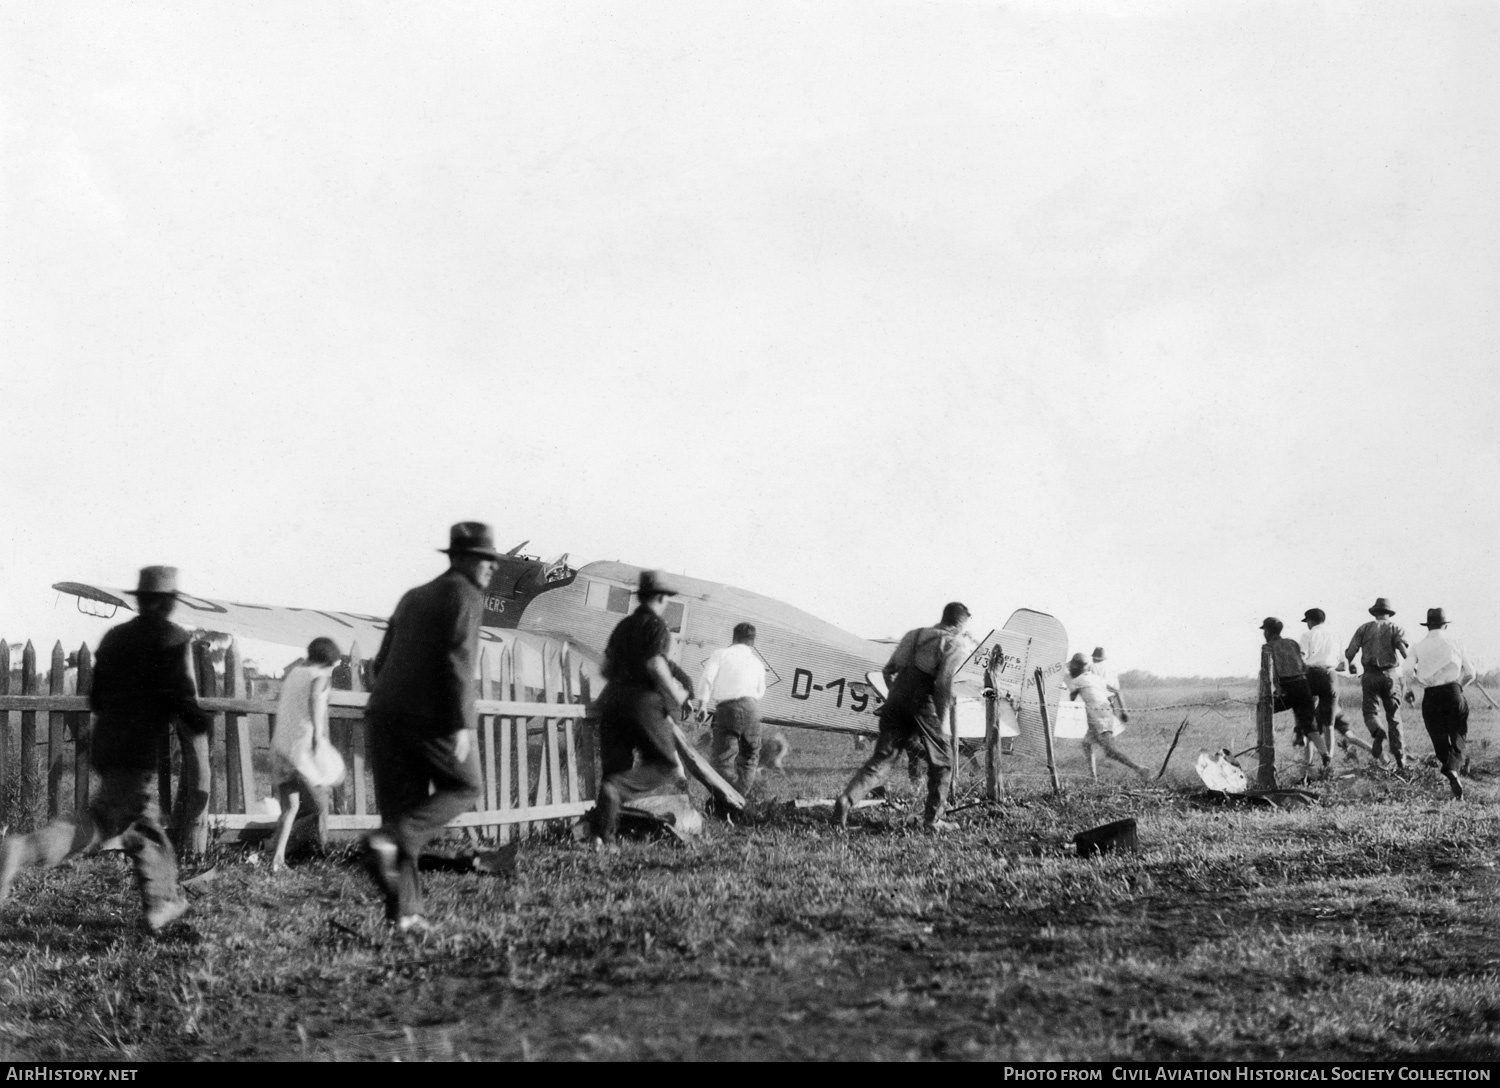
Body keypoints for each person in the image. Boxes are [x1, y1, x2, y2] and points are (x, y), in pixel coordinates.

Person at [0, 566, 209, 932]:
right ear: (168, 602)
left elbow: (96, 697)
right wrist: (198, 719)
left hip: (107, 743)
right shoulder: (173, 638)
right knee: (101, 824)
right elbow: (180, 693)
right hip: (136, 750)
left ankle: (161, 902)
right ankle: (22, 850)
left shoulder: (115, 636)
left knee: (137, 826)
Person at [362, 522, 497, 930]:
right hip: (429, 716)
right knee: (466, 785)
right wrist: (462, 726)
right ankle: (388, 841)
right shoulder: (466, 594)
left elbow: (378, 664)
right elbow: (460, 660)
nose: (491, 567)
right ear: (461, 559)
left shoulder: (413, 596)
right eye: (485, 559)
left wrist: (393, 698)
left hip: (384, 713)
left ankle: (406, 915)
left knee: (403, 812)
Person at [832, 602, 973, 831]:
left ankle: (846, 800)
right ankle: (933, 820)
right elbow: (942, 684)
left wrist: (897, 699)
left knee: (883, 759)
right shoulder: (954, 643)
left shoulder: (913, 635)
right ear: (960, 623)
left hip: (895, 698)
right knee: (943, 761)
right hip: (921, 702)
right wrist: (941, 717)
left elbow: (888, 671)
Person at [591, 571, 691, 845]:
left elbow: (605, 668)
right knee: (663, 763)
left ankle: (604, 839)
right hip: (642, 704)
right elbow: (655, 665)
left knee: (615, 769)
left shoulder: (622, 626)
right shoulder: (657, 627)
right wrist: (676, 695)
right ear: (660, 597)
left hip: (613, 704)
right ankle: (617, 791)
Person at [269, 637, 345, 871]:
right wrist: (318, 737)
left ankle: (277, 858)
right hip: (303, 747)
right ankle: (318, 853)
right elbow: (315, 700)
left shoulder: (294, 673)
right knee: (321, 803)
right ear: (328, 661)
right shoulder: (320, 676)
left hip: (281, 747)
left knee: (290, 808)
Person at [1404, 608, 1476, 800]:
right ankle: (1452, 768)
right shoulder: (1455, 643)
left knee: (1438, 738)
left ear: (1428, 626)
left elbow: (1407, 670)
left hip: (1431, 695)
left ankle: (1449, 768)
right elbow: (1471, 673)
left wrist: (1419, 682)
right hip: (1453, 691)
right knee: (1458, 735)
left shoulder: (1418, 646)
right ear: (1445, 625)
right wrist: (1459, 687)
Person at [695, 622, 768, 795]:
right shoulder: (758, 663)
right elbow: (760, 691)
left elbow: (707, 678)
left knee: (723, 759)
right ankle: (739, 798)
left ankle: (723, 799)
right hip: (752, 708)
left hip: (727, 709)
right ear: (752, 642)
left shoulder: (720, 654)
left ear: (734, 637)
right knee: (750, 758)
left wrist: (703, 704)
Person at [1066, 652, 1151, 782]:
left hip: (1098, 716)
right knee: (1086, 744)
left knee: (1110, 751)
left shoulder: (1077, 681)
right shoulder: (1095, 678)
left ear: (1077, 667)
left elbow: (1071, 698)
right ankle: (1092, 777)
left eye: (1072, 666)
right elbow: (1116, 691)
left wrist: (1071, 687)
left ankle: (1140, 769)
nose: (1071, 669)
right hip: (1103, 713)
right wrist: (1124, 711)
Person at [1345, 597, 1409, 768]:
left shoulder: (1364, 628)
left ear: (1375, 613)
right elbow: (1403, 651)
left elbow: (1350, 652)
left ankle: (1377, 731)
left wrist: (1350, 661)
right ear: (1388, 613)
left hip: (1370, 675)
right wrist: (1412, 669)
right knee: (1394, 717)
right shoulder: (1395, 628)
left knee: (1370, 712)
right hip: (1390, 676)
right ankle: (1400, 760)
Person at [1261, 617, 1328, 776]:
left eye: (1264, 630)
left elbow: (1268, 673)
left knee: (1264, 710)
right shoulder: (1292, 643)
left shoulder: (1267, 647)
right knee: (1309, 724)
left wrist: (1277, 690)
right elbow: (1303, 666)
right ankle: (1325, 753)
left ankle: (1264, 747)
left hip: (1287, 687)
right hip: (1303, 685)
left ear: (1268, 631)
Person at [1298, 609, 1352, 754]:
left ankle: (1308, 763)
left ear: (1310, 621)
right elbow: (1343, 665)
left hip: (1311, 676)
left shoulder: (1307, 635)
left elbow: (1302, 658)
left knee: (1311, 724)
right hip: (1330, 676)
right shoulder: (1336, 635)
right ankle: (1328, 764)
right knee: (1329, 724)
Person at [1089, 646, 1131, 725]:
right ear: (1103, 658)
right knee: (1111, 727)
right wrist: (1123, 710)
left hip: (1096, 701)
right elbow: (1117, 690)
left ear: (1094, 658)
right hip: (1110, 702)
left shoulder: (1091, 667)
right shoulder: (1111, 669)